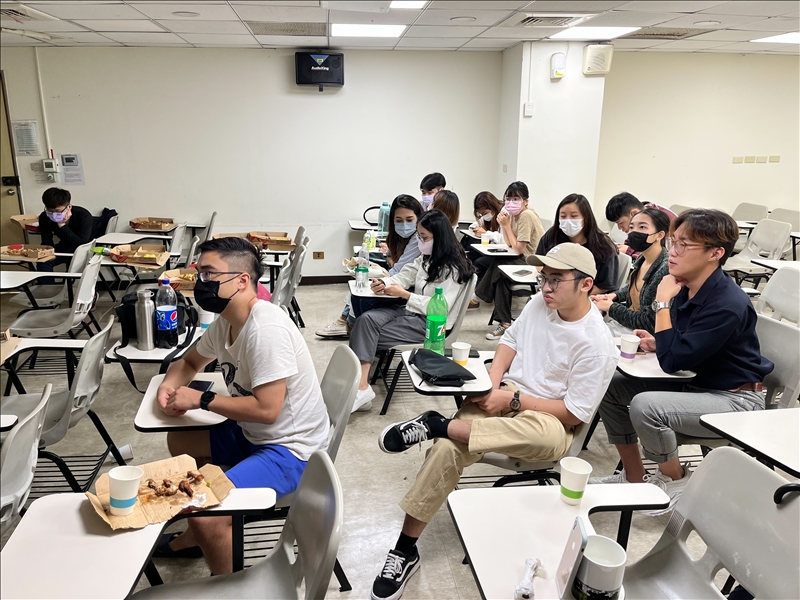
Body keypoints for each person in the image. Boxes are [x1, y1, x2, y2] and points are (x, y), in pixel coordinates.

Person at [370, 243, 618, 600]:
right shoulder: (540, 303)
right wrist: (492, 381)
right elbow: (510, 340)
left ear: (586, 284)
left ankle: (438, 424)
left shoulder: (597, 343)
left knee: (546, 437)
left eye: (556, 280)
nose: (546, 288)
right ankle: (405, 549)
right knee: (447, 449)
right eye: (543, 278)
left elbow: (574, 413)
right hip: (505, 395)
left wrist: (512, 400)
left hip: (549, 417)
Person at [152, 236, 330, 574]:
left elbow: (267, 410)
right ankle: (201, 535)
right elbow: (188, 363)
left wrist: (202, 398)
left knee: (206, 516)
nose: (200, 282)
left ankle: (226, 577)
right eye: (199, 273)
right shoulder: (227, 322)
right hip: (256, 433)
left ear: (242, 280)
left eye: (209, 274)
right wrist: (168, 387)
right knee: (181, 440)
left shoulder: (265, 329)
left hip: (292, 450)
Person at [591, 209, 774, 514]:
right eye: (673, 242)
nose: (672, 252)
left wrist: (662, 303)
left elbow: (673, 361)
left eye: (683, 245)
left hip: (735, 399)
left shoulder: (726, 303)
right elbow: (680, 345)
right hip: (698, 383)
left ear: (715, 253)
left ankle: (674, 482)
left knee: (647, 406)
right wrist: (657, 341)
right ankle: (634, 477)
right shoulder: (686, 285)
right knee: (610, 384)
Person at [349, 209, 475, 412]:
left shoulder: (454, 269)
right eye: (419, 236)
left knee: (364, 332)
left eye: (424, 237)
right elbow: (405, 275)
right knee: (366, 320)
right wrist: (385, 283)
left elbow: (440, 309)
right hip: (411, 312)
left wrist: (405, 295)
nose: (420, 242)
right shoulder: (428, 257)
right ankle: (363, 384)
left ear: (440, 237)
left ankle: (361, 386)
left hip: (432, 326)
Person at [316, 195, 424, 339]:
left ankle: (355, 327)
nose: (404, 225)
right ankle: (357, 330)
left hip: (406, 289)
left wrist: (383, 279)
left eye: (409, 220)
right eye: (399, 221)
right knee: (359, 291)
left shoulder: (418, 239)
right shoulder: (399, 237)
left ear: (419, 218)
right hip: (397, 279)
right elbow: (393, 261)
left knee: (365, 294)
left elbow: (400, 271)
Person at [473, 181, 544, 333]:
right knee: (501, 277)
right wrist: (505, 224)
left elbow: (518, 249)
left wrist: (505, 226)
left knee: (498, 266)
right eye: (508, 199)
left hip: (533, 263)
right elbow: (509, 243)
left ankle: (478, 296)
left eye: (516, 199)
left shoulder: (526, 215)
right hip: (522, 258)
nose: (511, 202)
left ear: (526, 201)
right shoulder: (512, 215)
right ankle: (505, 323)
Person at [591, 208, 671, 335]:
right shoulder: (642, 258)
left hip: (641, 335)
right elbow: (635, 288)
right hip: (625, 325)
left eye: (642, 227)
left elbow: (649, 322)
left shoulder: (665, 269)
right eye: (632, 227)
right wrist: (614, 296)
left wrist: (611, 307)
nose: (634, 232)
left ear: (660, 235)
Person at [37, 187, 93, 274]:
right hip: (65, 246)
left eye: (57, 211)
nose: (53, 214)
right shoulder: (44, 217)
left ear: (69, 207)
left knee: (74, 267)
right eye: (50, 211)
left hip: (84, 248)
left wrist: (62, 225)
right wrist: (47, 253)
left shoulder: (83, 215)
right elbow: (46, 241)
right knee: (43, 262)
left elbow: (82, 241)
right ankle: (46, 283)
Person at [604, 192, 676, 258]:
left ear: (634, 213)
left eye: (620, 223)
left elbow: (664, 254)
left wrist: (629, 251)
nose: (619, 228)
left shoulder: (662, 219)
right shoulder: (642, 212)